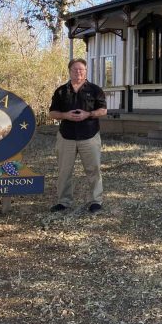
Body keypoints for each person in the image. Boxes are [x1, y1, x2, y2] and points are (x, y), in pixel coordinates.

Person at [49, 58, 107, 213]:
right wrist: (65, 115)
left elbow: (103, 110)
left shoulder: (95, 90)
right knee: (64, 171)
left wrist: (88, 114)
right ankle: (63, 202)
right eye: (75, 69)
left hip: (89, 135)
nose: (78, 72)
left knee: (93, 170)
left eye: (81, 69)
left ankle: (96, 201)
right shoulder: (61, 91)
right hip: (66, 136)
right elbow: (52, 113)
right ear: (70, 71)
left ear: (86, 71)